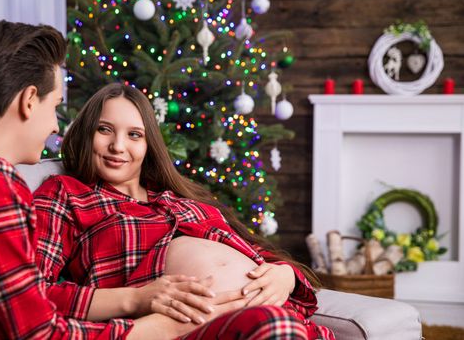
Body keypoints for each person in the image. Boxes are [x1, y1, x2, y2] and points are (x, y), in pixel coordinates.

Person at [0, 20, 223, 339]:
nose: (55, 128)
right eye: (55, 107)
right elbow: (35, 333)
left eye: (135, 135)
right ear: (29, 100)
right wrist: (147, 329)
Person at [34, 83, 335, 339]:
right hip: (189, 328)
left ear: (149, 144)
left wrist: (286, 276)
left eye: (134, 135)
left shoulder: (179, 197)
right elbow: (32, 294)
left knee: (287, 327)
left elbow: (257, 254)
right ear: (87, 133)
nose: (118, 145)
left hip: (270, 313)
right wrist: (134, 300)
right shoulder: (66, 194)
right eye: (105, 130)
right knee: (276, 327)